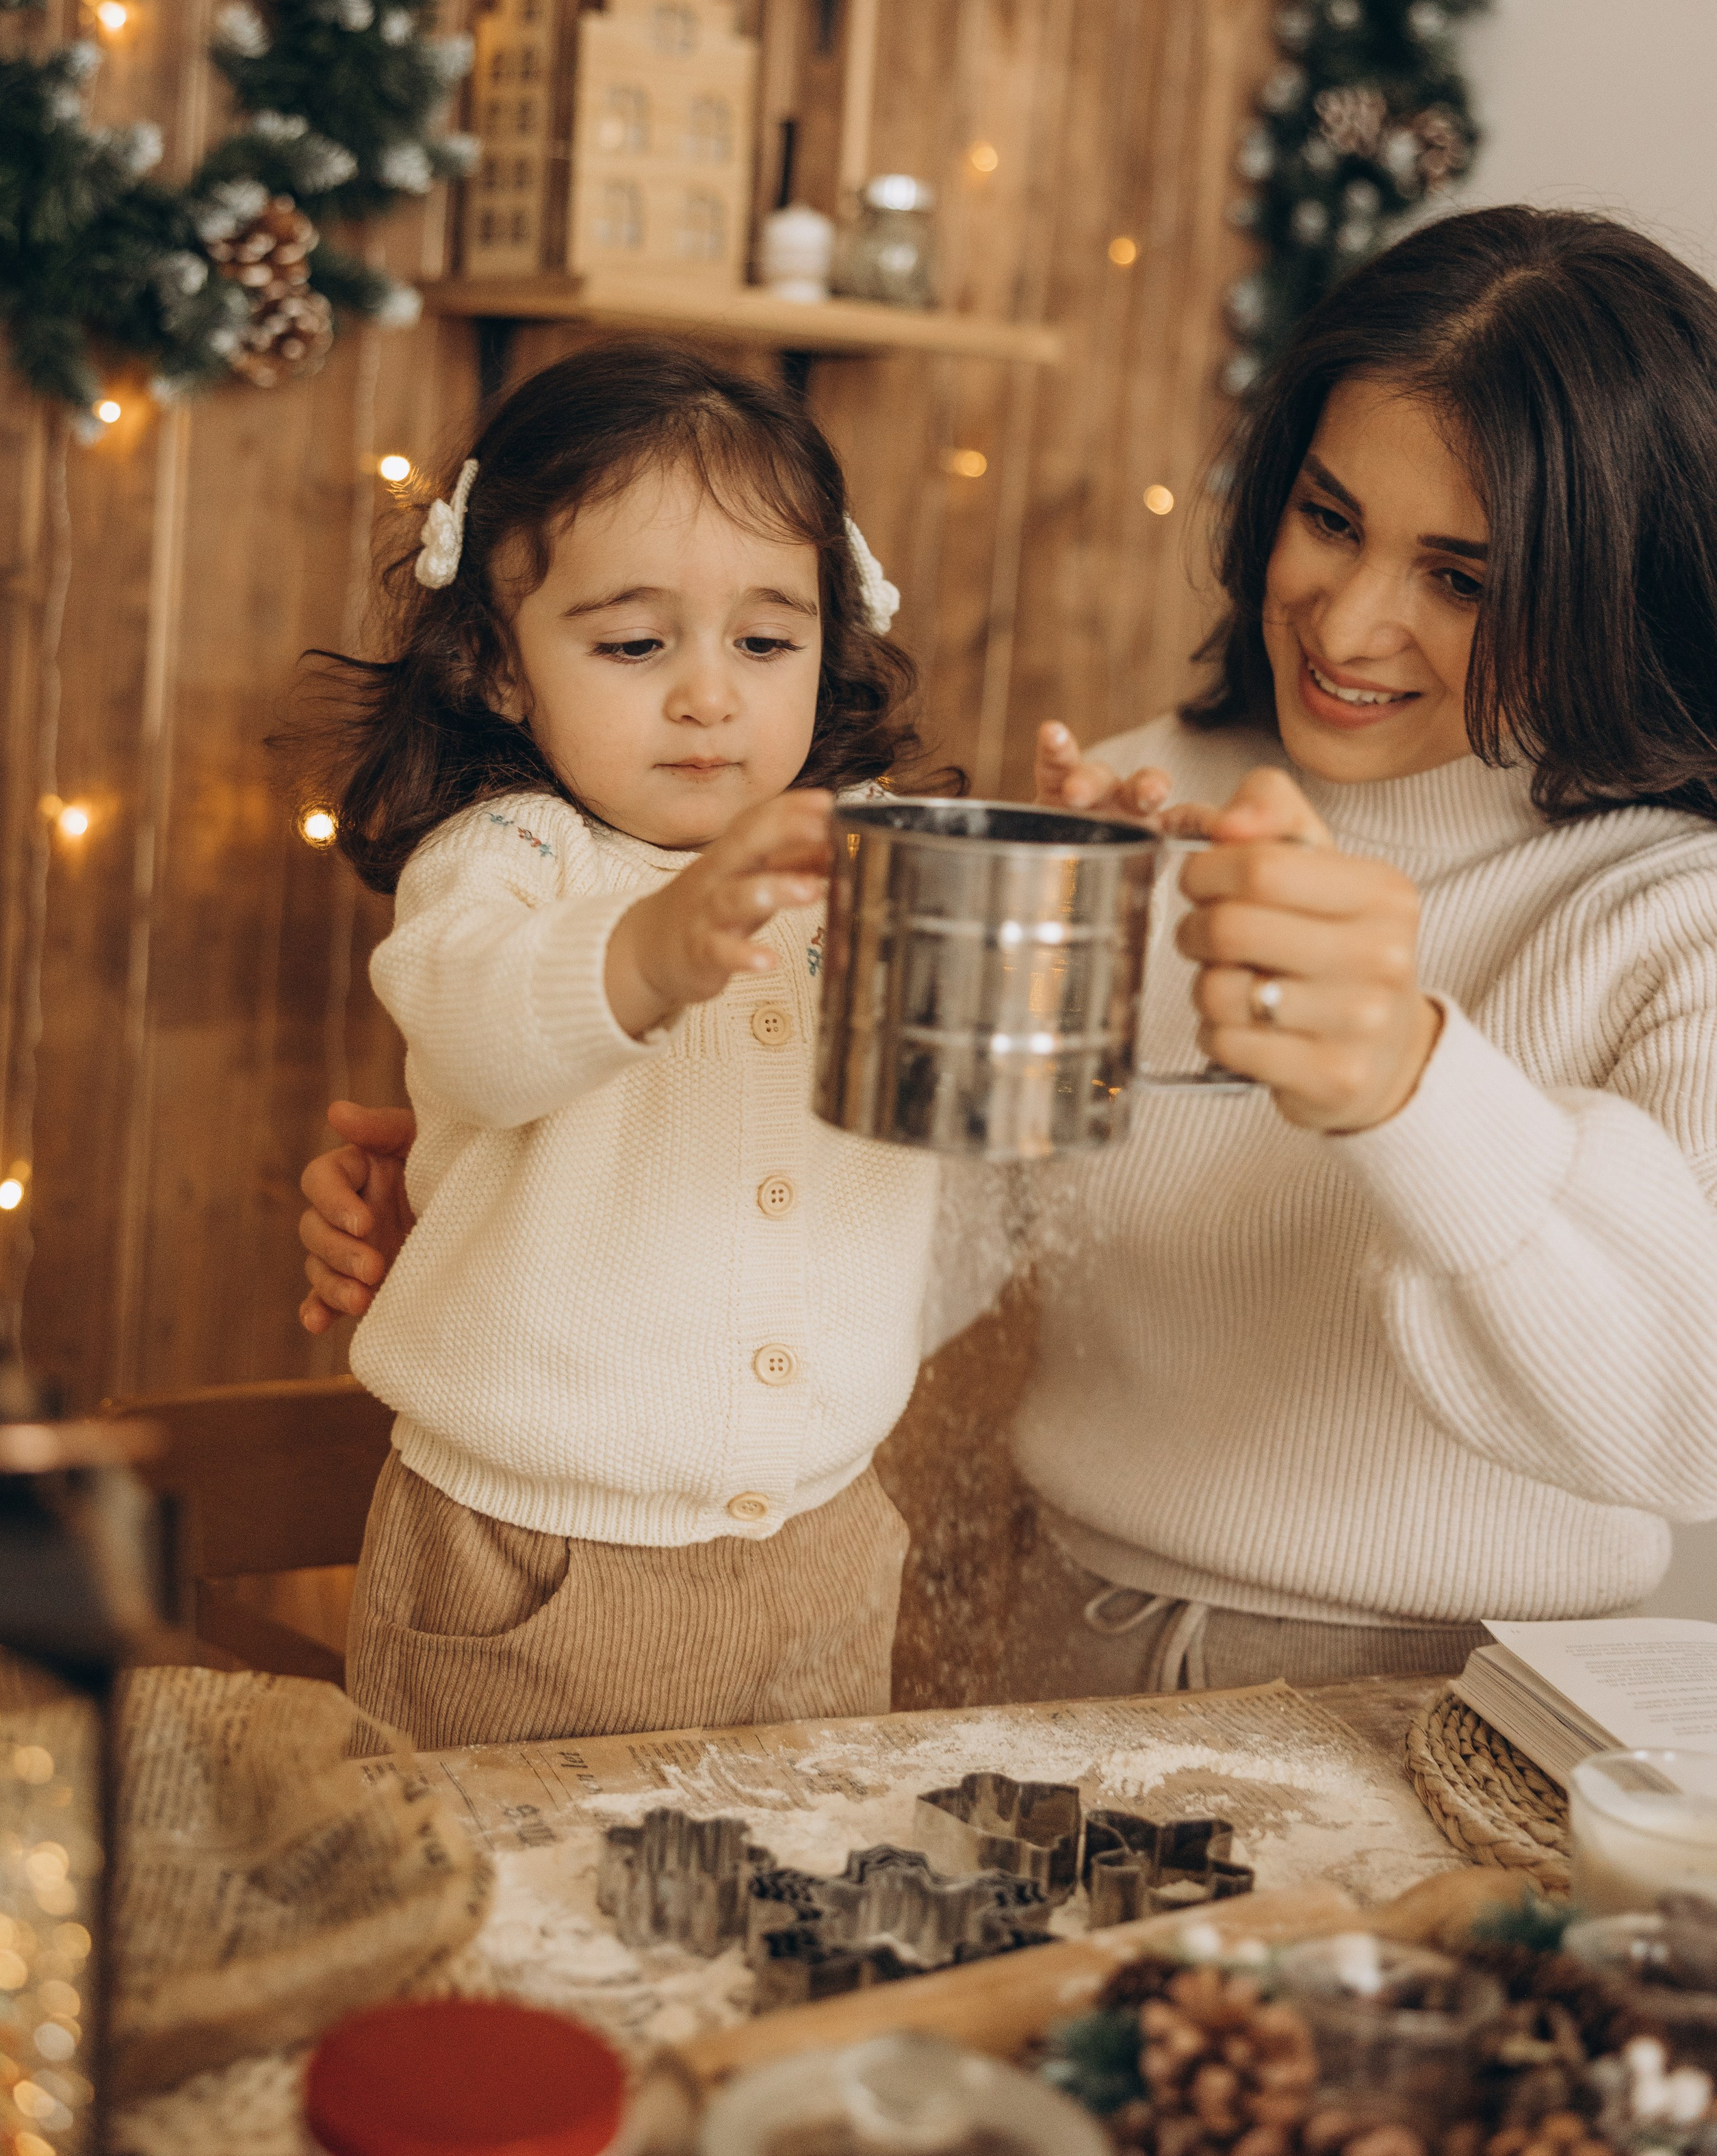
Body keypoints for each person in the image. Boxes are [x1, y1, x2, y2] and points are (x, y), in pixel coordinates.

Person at [302, 209, 1717, 1702]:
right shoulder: (1126, 799)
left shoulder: (1665, 915)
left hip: (1468, 1696)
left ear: (1610, 602)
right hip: (1069, 1642)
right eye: (1327, 517)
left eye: (1460, 578)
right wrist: (561, 1228)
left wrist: (1414, 1085)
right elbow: (934, 1219)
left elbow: (1686, 1429)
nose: (1349, 622)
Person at [299, 341, 946, 1750]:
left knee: (799, 1929)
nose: (709, 695)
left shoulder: (869, 857)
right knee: (519, 1924)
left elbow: (963, 1111)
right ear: (498, 665)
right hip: (529, 1559)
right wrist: (654, 948)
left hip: (824, 1543)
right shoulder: (504, 860)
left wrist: (1084, 900)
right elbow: (475, 1027)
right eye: (635, 643)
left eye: (765, 641)